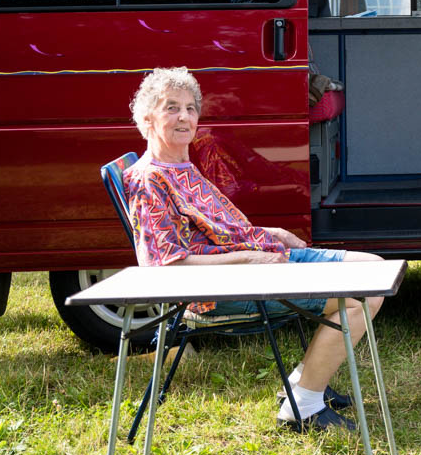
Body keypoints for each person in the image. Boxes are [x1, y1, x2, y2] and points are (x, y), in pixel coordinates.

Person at [123, 67, 384, 433]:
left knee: (376, 269)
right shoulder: (150, 180)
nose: (184, 116)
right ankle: (303, 406)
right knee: (360, 299)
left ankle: (302, 382)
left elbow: (222, 230)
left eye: (190, 108)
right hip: (225, 287)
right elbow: (165, 269)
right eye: (171, 108)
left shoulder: (180, 165)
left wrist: (271, 233)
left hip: (261, 262)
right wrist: (250, 258)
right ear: (148, 118)